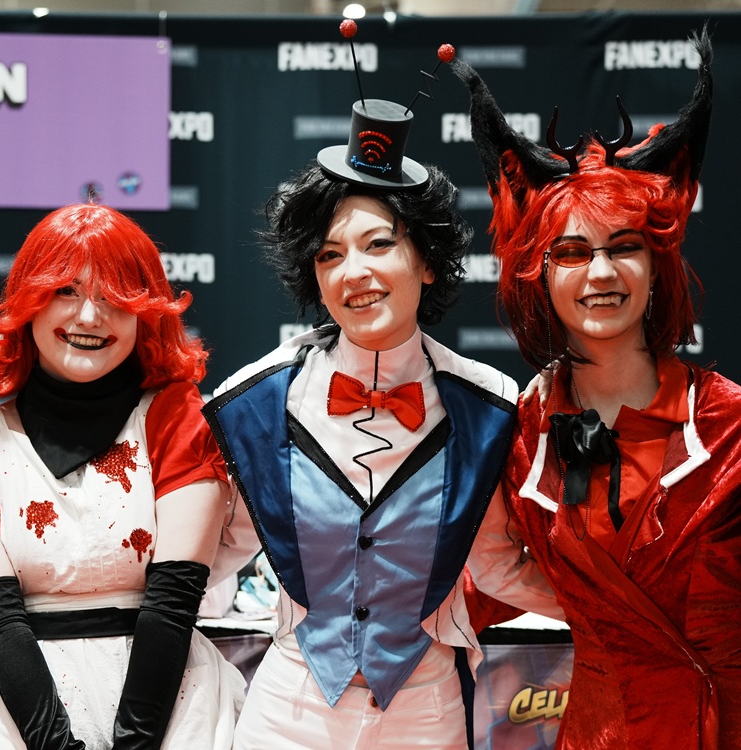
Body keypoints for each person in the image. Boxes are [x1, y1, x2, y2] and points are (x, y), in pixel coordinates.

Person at [203, 78, 562, 749]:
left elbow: (494, 564)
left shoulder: (488, 406)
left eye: (378, 244)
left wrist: (620, 610)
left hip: (425, 713)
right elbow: (221, 547)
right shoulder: (256, 400)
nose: (353, 272)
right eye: (330, 254)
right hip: (287, 709)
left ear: (427, 263)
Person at [455, 35, 741, 749]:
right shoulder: (519, 433)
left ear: (656, 262)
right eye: (572, 253)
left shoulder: (740, 421)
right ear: (537, 274)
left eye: (624, 247)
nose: (600, 273)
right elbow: (478, 579)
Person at [0, 203, 243, 750]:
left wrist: (133, 744)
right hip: (22, 709)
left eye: (114, 298)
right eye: (66, 291)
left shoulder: (174, 413)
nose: (89, 317)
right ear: (29, 302)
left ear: (144, 313)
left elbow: (174, 599)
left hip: (168, 704)